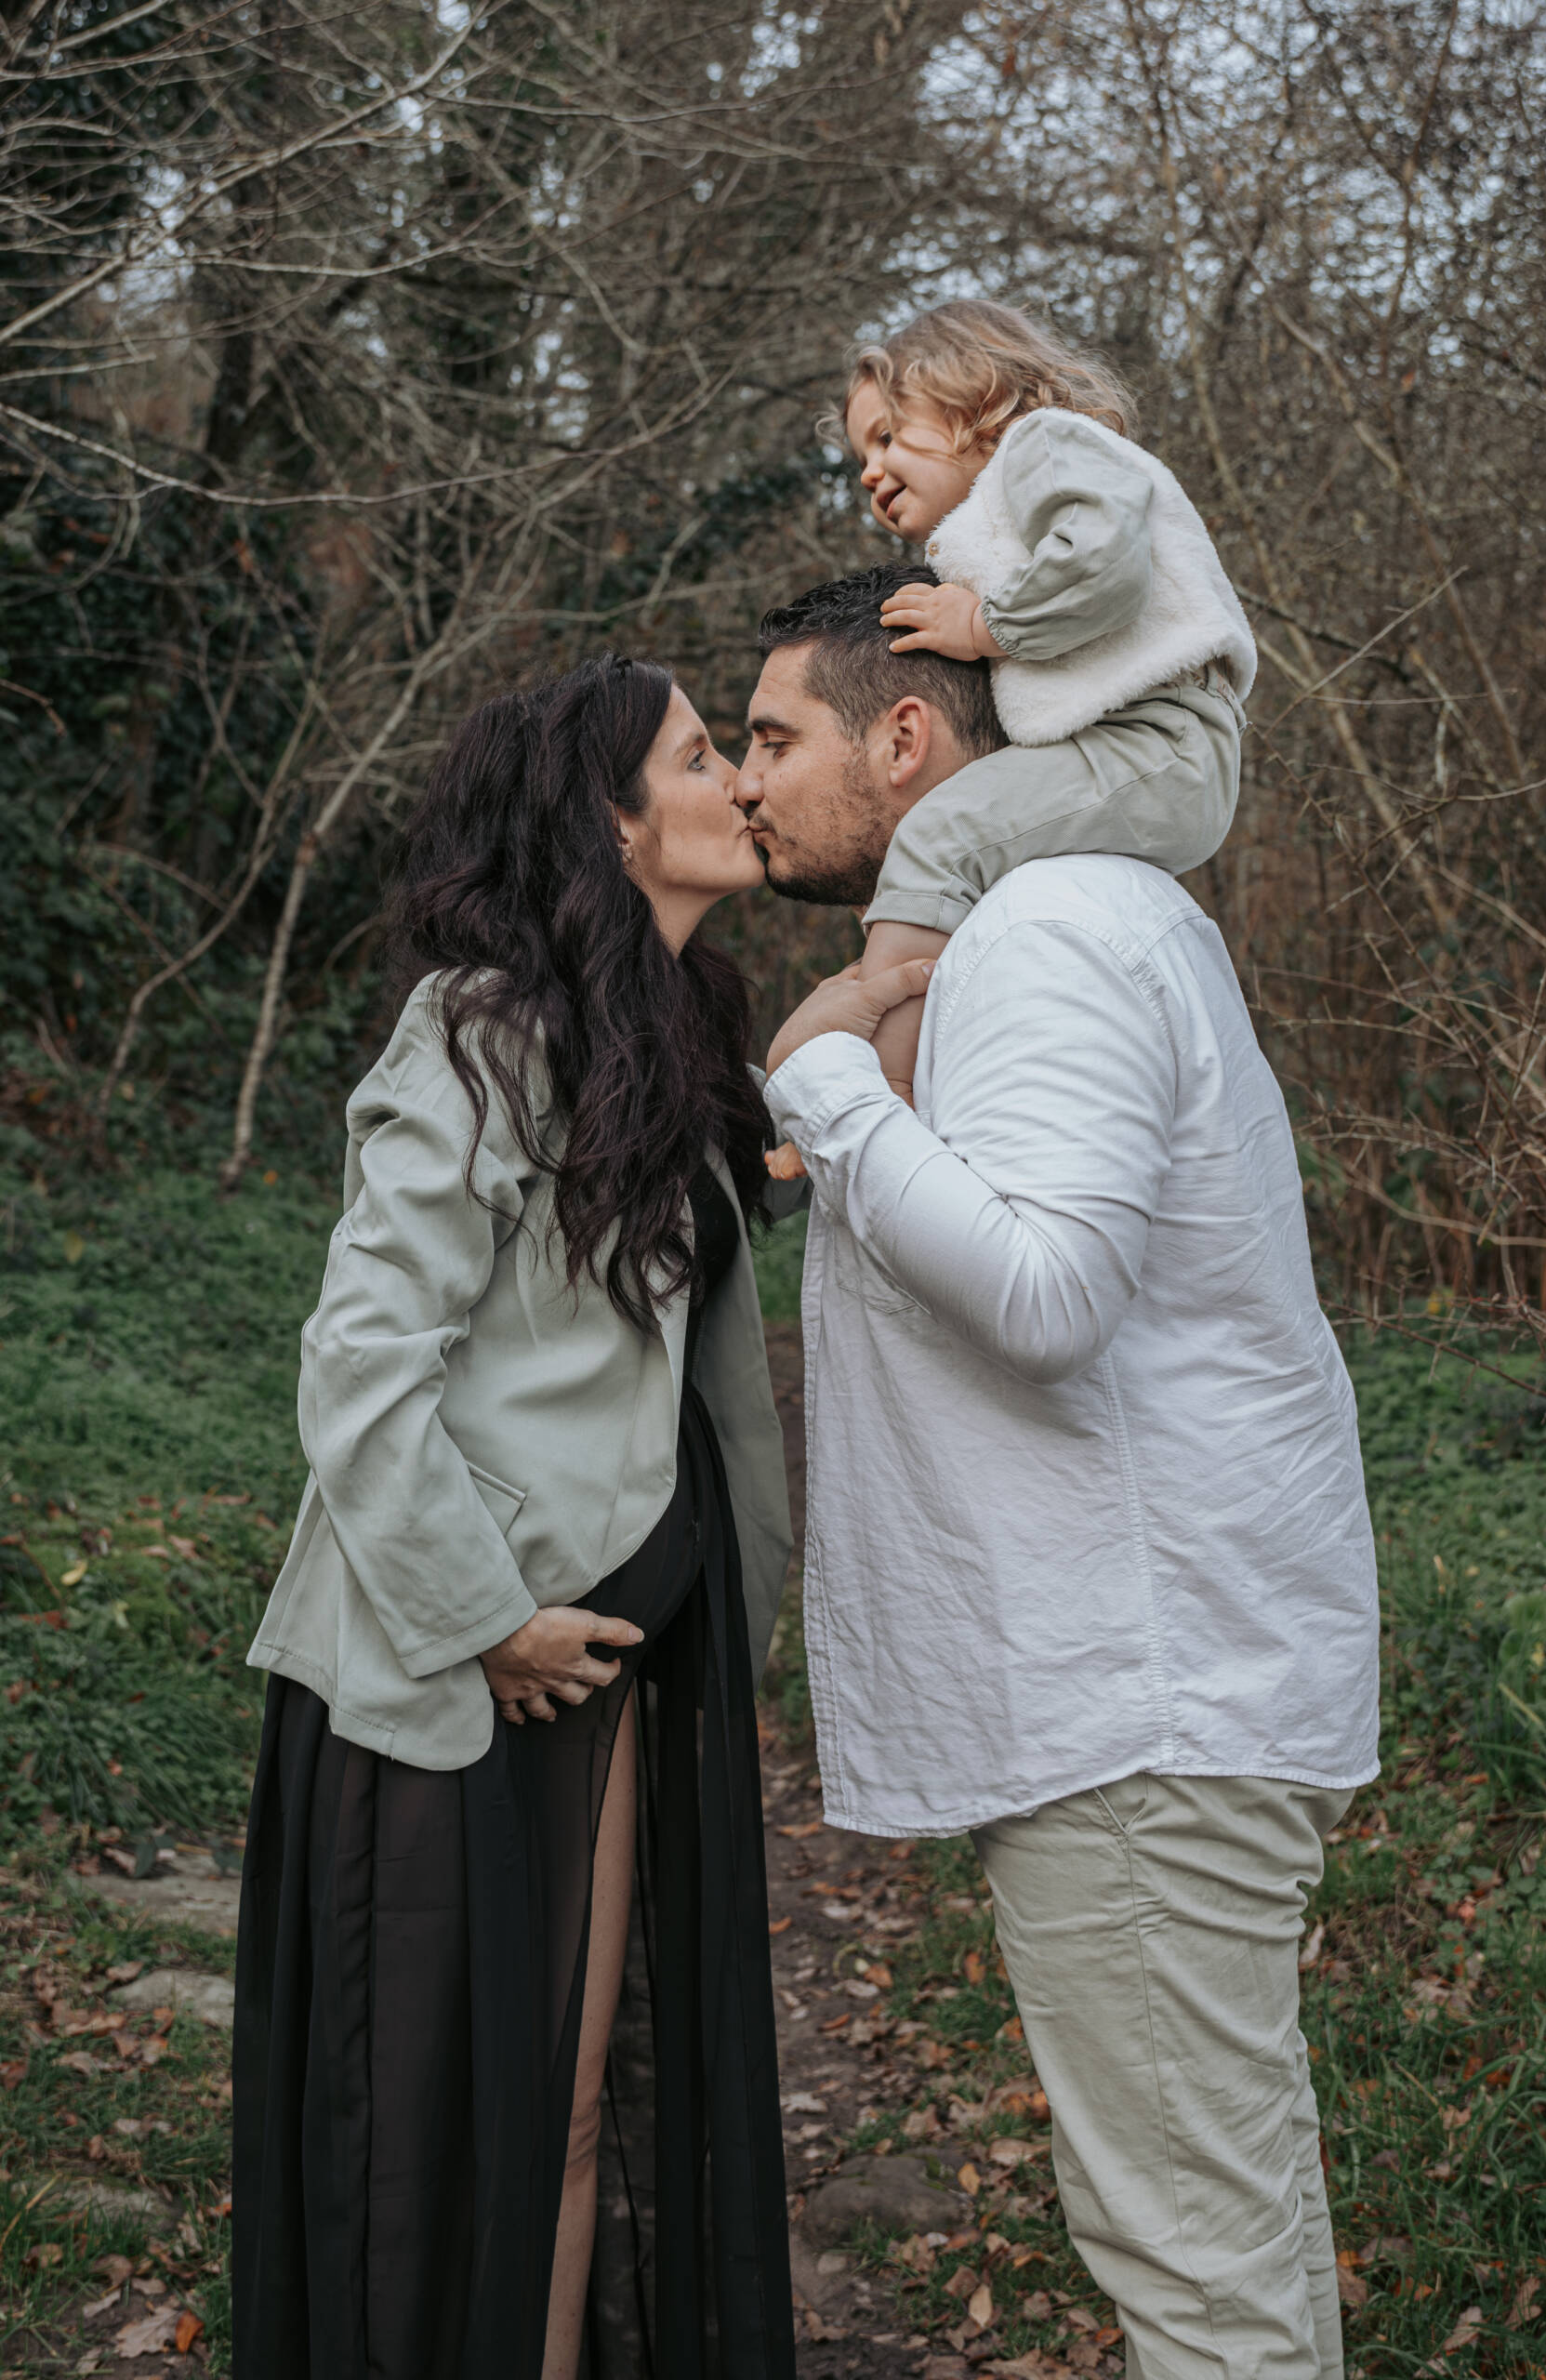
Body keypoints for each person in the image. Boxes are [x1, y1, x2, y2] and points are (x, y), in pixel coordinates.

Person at [737, 579, 1381, 2380]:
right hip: (1148, 1705)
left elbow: (1042, 1292)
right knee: (1221, 2234)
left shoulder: (1050, 929)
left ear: (908, 737)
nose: (746, 778)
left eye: (774, 736)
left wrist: (824, 1091)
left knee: (1194, 2271)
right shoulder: (1036, 930)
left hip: (1146, 1715)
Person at [231, 657, 838, 2380]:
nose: (734, 779)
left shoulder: (675, 1023)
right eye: (701, 753)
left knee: (571, 2107)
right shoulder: (484, 1027)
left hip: (607, 1650)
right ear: (605, 815)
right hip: (446, 1670)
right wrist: (481, 1615)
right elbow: (363, 1363)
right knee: (429, 2138)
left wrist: (884, 978)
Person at [766, 296, 1254, 1177]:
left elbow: (1106, 560)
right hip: (1129, 744)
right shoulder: (992, 517)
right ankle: (908, 1058)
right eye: (857, 458)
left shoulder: (1045, 446)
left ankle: (879, 1095)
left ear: (972, 402)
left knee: (941, 835)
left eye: (886, 437)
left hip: (1165, 743)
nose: (869, 473)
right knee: (956, 846)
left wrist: (988, 624)